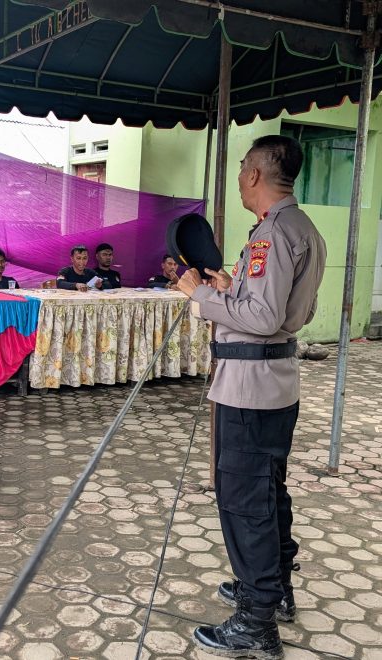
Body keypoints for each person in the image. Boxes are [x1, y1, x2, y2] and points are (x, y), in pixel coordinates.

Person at [177, 135, 326, 660]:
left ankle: (256, 619)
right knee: (267, 494)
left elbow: (262, 319)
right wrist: (229, 288)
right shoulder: (301, 228)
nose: (239, 176)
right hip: (275, 385)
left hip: (251, 391)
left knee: (245, 502)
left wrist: (200, 295)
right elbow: (292, 313)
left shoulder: (273, 235)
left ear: (257, 174)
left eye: (242, 167)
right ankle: (273, 586)